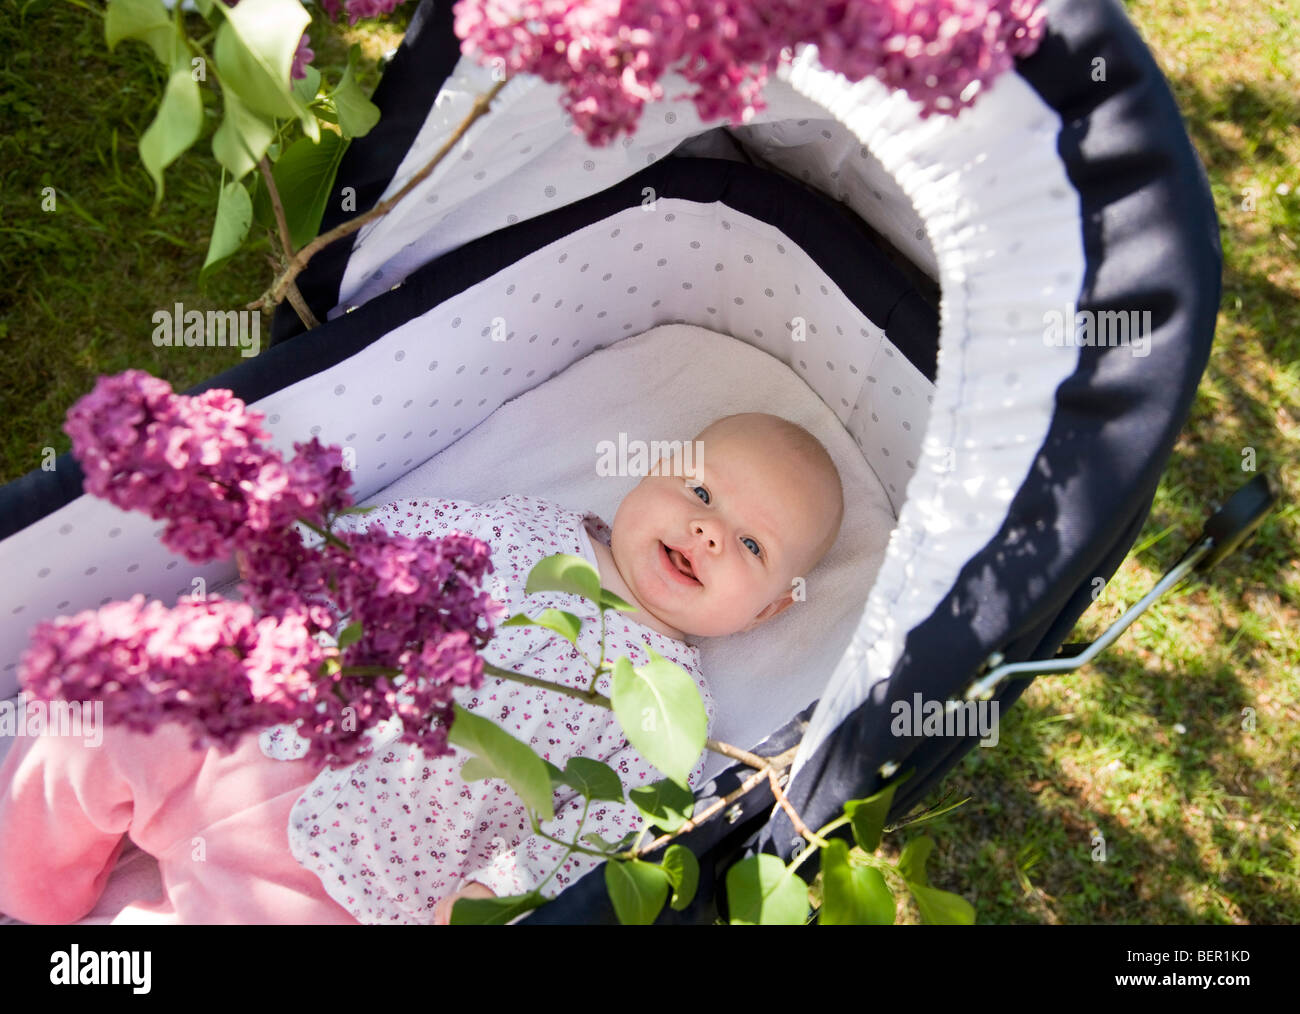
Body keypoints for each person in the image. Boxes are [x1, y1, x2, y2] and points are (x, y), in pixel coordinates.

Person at [0, 413, 843, 925]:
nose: (707, 534)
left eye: (752, 545)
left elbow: (609, 829)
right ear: (651, 471)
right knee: (115, 701)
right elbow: (401, 542)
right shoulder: (525, 528)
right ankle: (25, 874)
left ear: (770, 609)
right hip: (264, 717)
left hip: (357, 877)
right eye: (701, 496)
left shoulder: (676, 711)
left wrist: (502, 893)